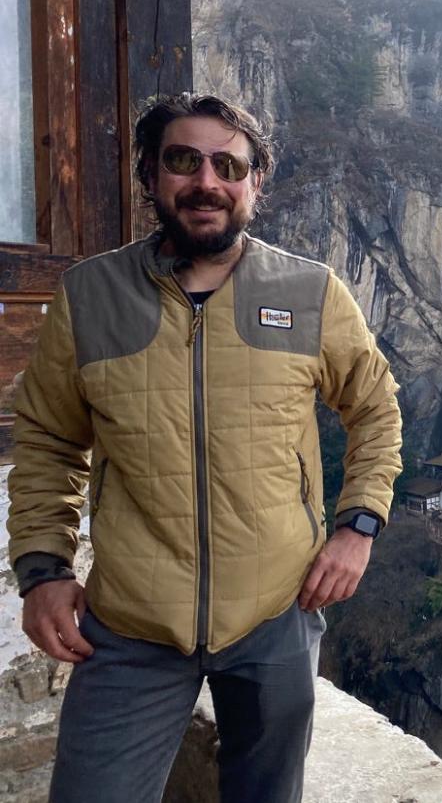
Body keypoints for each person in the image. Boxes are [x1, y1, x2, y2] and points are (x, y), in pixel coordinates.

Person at [5, 92, 403, 802]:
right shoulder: (91, 296)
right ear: (151, 177)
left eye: (229, 164)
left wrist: (358, 525)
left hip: (277, 612)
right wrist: (43, 569)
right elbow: (48, 438)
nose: (207, 182)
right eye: (183, 161)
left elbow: (374, 408)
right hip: (131, 624)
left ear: (255, 183)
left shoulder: (309, 293)